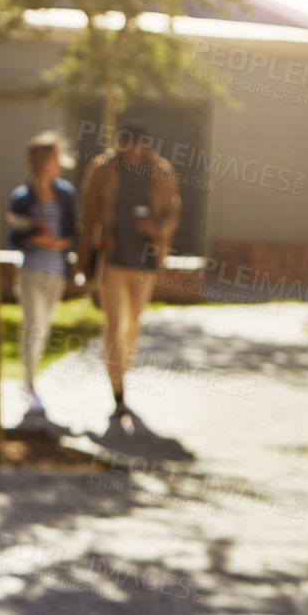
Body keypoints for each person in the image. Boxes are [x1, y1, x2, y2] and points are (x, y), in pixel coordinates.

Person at [75, 119, 182, 422]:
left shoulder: (161, 170)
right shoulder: (103, 169)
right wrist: (83, 261)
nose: (134, 152)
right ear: (119, 144)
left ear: (145, 146)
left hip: (145, 262)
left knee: (133, 323)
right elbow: (89, 214)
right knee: (112, 323)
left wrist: (157, 228)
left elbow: (173, 210)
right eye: (127, 145)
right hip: (112, 259)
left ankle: (122, 371)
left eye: (139, 146)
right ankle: (118, 392)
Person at [5, 132, 78, 418]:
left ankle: (28, 378)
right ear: (43, 160)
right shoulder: (22, 196)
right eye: (54, 157)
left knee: (43, 326)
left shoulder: (66, 193)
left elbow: (72, 231)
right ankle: (29, 382)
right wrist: (36, 239)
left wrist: (59, 243)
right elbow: (15, 236)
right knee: (32, 324)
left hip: (56, 270)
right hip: (32, 270)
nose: (59, 162)